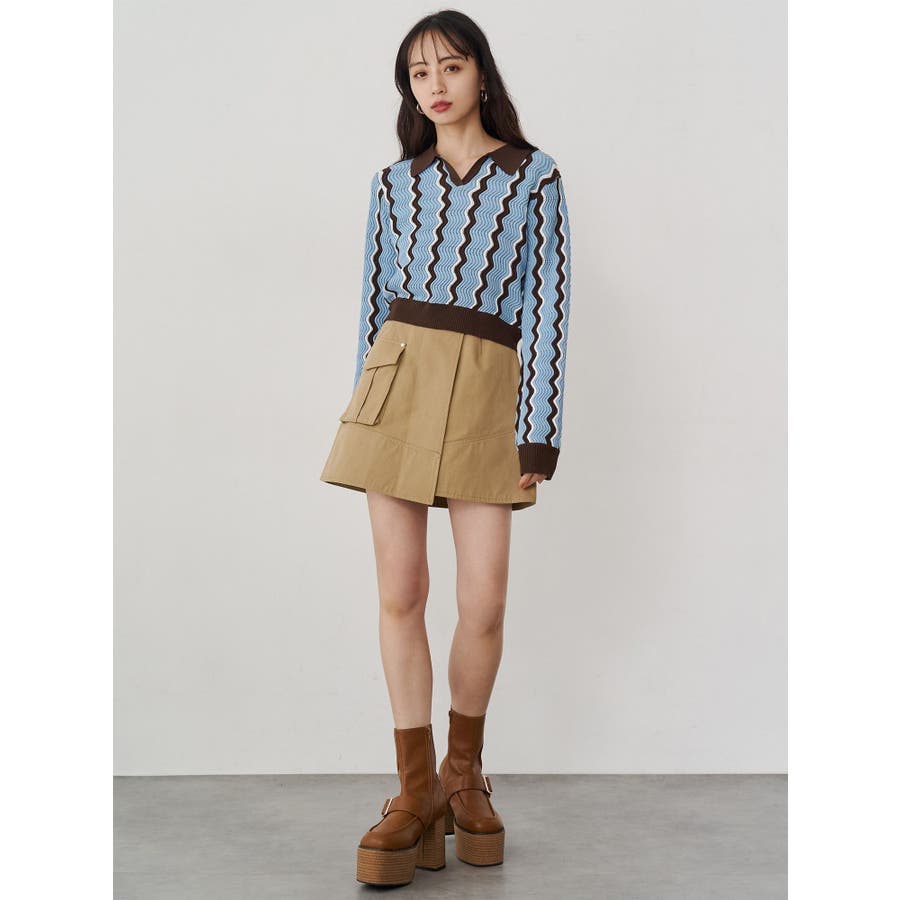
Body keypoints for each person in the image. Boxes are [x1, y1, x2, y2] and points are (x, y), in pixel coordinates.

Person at [320, 9, 573, 887]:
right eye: (419, 72)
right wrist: (364, 412)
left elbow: (548, 306)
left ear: (481, 75)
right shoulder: (395, 182)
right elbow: (372, 303)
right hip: (396, 383)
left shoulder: (535, 176)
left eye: (451, 66)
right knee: (401, 592)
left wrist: (540, 427)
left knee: (484, 601)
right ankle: (415, 792)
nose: (435, 84)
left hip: (488, 394)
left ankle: (465, 774)